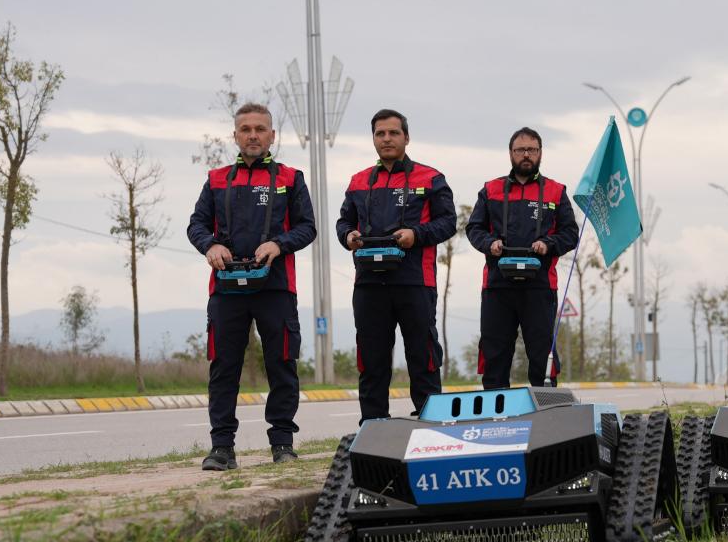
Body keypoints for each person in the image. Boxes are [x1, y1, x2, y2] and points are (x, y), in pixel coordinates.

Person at [186, 102, 316, 471]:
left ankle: (282, 444)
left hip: (275, 288)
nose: (253, 135)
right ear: (236, 136)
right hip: (226, 289)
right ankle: (222, 448)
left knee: (282, 365)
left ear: (272, 136)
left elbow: (308, 227)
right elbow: (196, 225)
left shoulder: (291, 178)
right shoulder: (215, 179)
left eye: (260, 129)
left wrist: (279, 244)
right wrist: (210, 246)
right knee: (224, 367)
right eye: (246, 129)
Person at [337, 109, 456, 421]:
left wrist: (416, 235)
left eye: (393, 133)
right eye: (380, 134)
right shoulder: (359, 181)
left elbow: (448, 223)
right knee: (372, 361)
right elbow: (343, 221)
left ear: (406, 137)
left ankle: (432, 425)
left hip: (415, 283)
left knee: (423, 357)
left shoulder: (430, 178)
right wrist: (347, 235)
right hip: (369, 285)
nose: (386, 139)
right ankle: (373, 428)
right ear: (374, 138)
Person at [466, 127, 579, 388]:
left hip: (539, 287)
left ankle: (547, 411)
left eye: (531, 150)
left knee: (542, 352)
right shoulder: (490, 190)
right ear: (510, 153)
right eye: (520, 150)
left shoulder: (555, 191)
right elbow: (474, 228)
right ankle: (496, 414)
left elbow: (570, 233)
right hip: (497, 286)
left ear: (540, 153)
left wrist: (548, 244)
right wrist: (489, 243)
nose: (526, 155)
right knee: (495, 352)